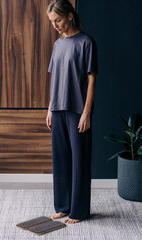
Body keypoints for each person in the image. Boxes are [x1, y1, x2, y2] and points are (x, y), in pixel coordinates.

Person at [45, 0, 98, 224]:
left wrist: (87, 112)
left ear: (69, 15)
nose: (55, 25)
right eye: (52, 21)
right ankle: (63, 206)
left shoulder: (86, 42)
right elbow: (55, 77)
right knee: (61, 160)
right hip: (57, 109)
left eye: (57, 20)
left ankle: (78, 211)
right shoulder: (58, 45)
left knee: (79, 161)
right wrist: (49, 108)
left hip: (77, 110)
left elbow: (92, 78)